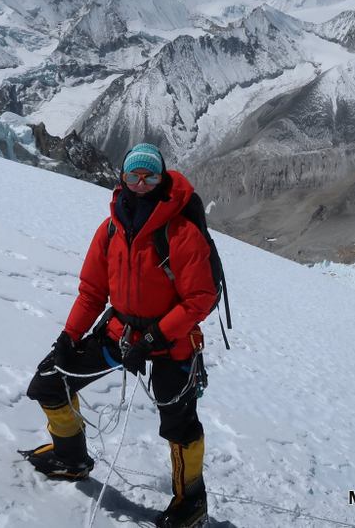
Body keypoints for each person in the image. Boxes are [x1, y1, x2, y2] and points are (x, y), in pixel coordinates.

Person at [23, 142, 216, 528]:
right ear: (122, 178)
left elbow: (200, 298)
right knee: (49, 382)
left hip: (170, 344)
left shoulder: (180, 232)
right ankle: (71, 457)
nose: (141, 183)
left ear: (162, 179)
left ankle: (191, 502)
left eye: (150, 176)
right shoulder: (111, 228)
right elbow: (93, 291)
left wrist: (155, 338)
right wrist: (69, 337)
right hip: (121, 333)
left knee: (180, 425)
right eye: (133, 175)